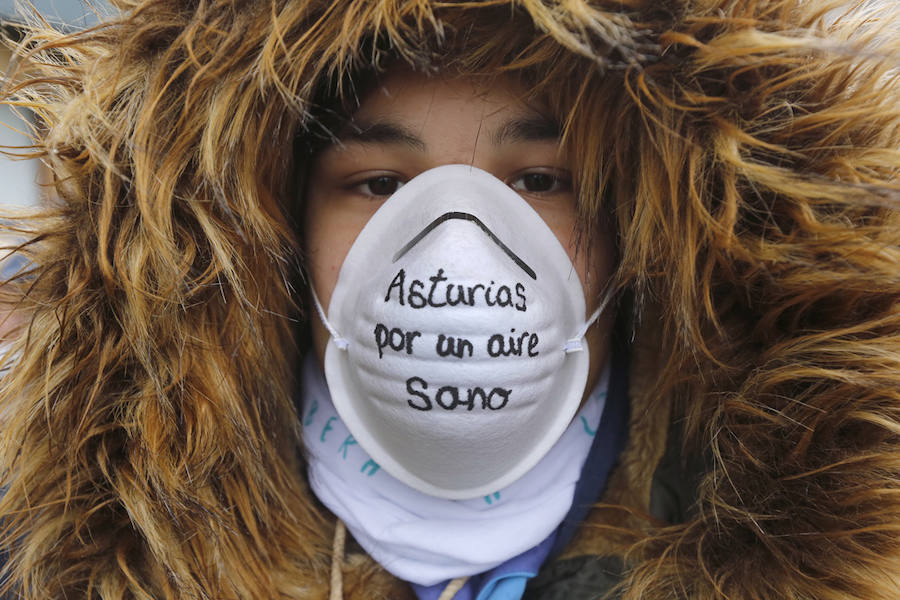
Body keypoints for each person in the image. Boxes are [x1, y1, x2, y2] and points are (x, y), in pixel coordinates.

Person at [0, 1, 898, 599]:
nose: (458, 247)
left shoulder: (808, 545)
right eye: (382, 183)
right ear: (275, 223)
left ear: (641, 223)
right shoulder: (70, 556)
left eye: (541, 179)